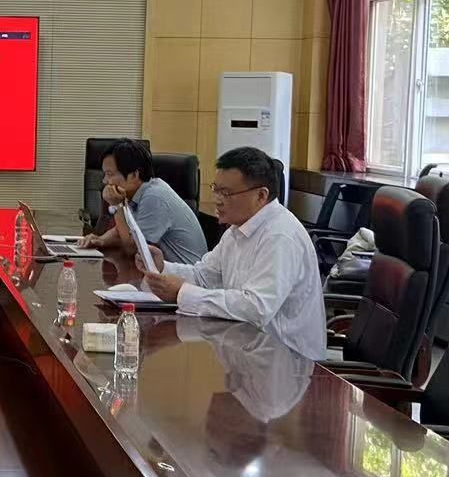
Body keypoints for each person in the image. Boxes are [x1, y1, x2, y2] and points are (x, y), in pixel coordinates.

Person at [143, 146, 325, 360]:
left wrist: (183, 293)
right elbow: (205, 277)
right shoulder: (237, 229)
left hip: (288, 362)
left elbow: (256, 308)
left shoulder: (280, 236)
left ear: (261, 195)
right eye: (216, 189)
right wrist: (162, 267)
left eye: (227, 193)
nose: (218, 200)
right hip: (246, 350)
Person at [82, 138, 209, 264]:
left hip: (185, 273)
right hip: (164, 270)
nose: (104, 181)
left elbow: (133, 249)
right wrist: (101, 240)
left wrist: (117, 206)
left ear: (134, 175)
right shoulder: (139, 193)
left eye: (109, 174)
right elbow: (125, 230)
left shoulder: (154, 197)